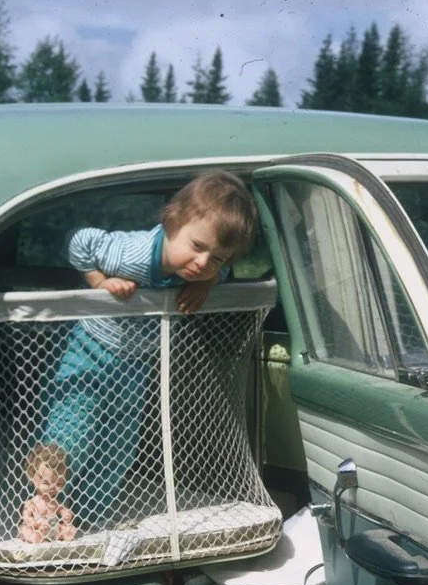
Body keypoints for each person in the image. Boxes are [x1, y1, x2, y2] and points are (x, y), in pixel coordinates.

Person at [23, 170, 258, 535]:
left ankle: (85, 516)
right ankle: (42, 506)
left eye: (217, 259)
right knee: (74, 433)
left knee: (120, 444)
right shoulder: (128, 253)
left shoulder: (199, 272)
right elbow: (78, 242)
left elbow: (217, 271)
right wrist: (100, 282)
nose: (202, 263)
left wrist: (209, 282)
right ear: (172, 222)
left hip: (135, 363)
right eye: (198, 247)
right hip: (90, 350)